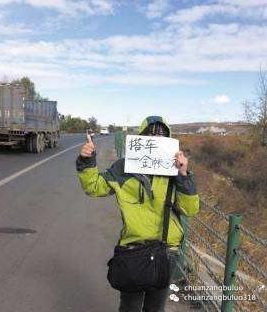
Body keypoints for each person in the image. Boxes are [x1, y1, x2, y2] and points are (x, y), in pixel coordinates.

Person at [76, 116, 199, 312]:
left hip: (166, 251)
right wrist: (86, 160)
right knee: (130, 308)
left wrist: (184, 175)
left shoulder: (174, 171)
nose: (155, 141)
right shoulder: (124, 168)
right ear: (140, 138)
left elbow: (190, 209)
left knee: (155, 308)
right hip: (134, 250)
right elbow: (94, 187)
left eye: (161, 138)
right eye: (150, 136)